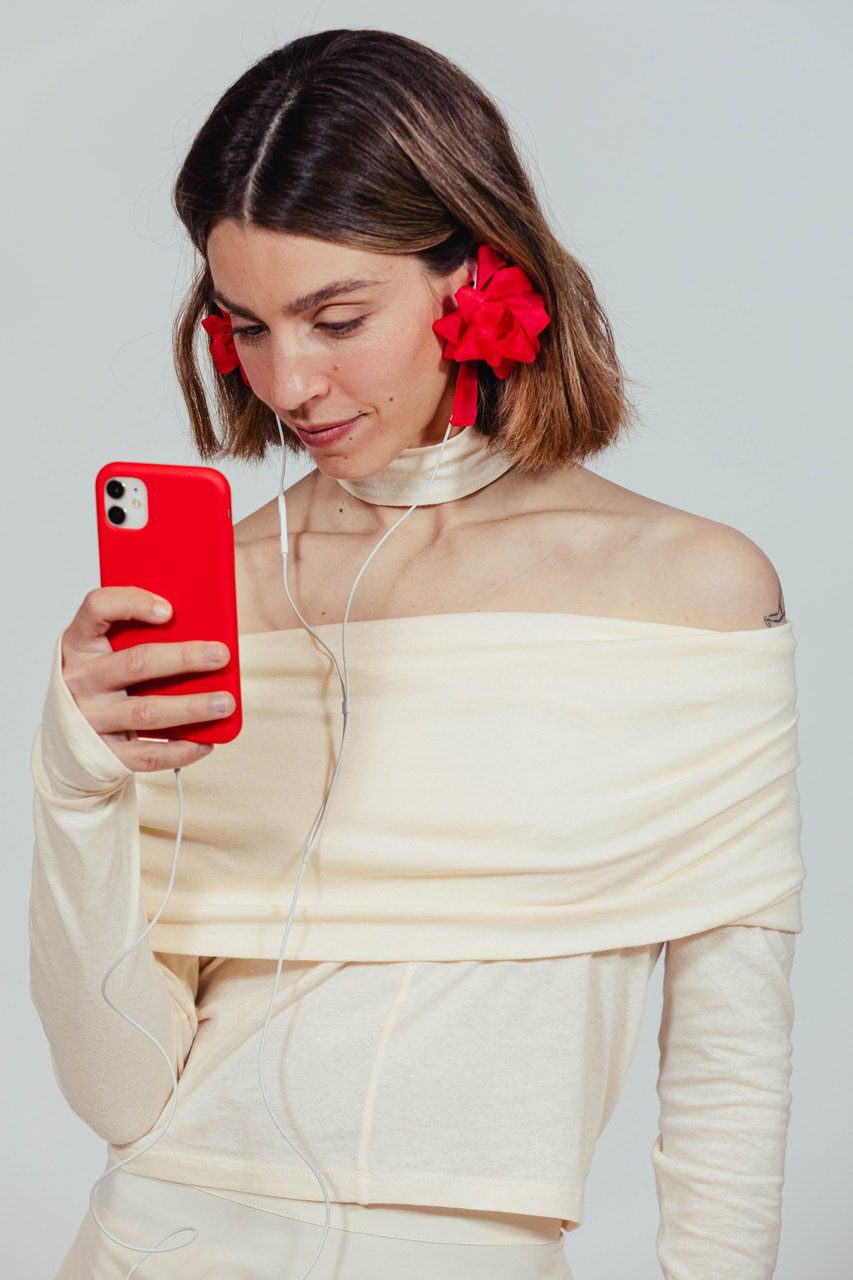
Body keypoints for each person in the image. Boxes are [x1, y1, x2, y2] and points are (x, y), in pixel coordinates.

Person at [28, 28, 804, 1280]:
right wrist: (72, 781)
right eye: (246, 326)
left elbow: (730, 1061)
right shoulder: (218, 594)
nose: (289, 382)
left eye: (336, 317)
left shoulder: (690, 591)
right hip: (151, 1242)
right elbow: (119, 1093)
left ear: (481, 270)